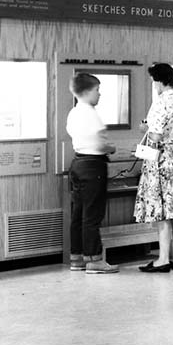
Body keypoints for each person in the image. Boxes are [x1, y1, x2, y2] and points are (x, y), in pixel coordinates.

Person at [134, 62, 173, 272]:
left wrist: (146, 128)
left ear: (160, 80)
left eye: (154, 81)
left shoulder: (161, 101)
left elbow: (156, 135)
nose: (154, 85)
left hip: (160, 157)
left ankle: (162, 259)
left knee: (161, 210)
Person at [65, 73, 118, 274]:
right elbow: (99, 142)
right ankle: (95, 260)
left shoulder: (74, 113)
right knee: (92, 215)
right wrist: (111, 148)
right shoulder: (91, 114)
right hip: (93, 165)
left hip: (78, 164)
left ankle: (77, 258)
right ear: (87, 91)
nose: (99, 94)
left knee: (78, 214)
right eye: (97, 90)